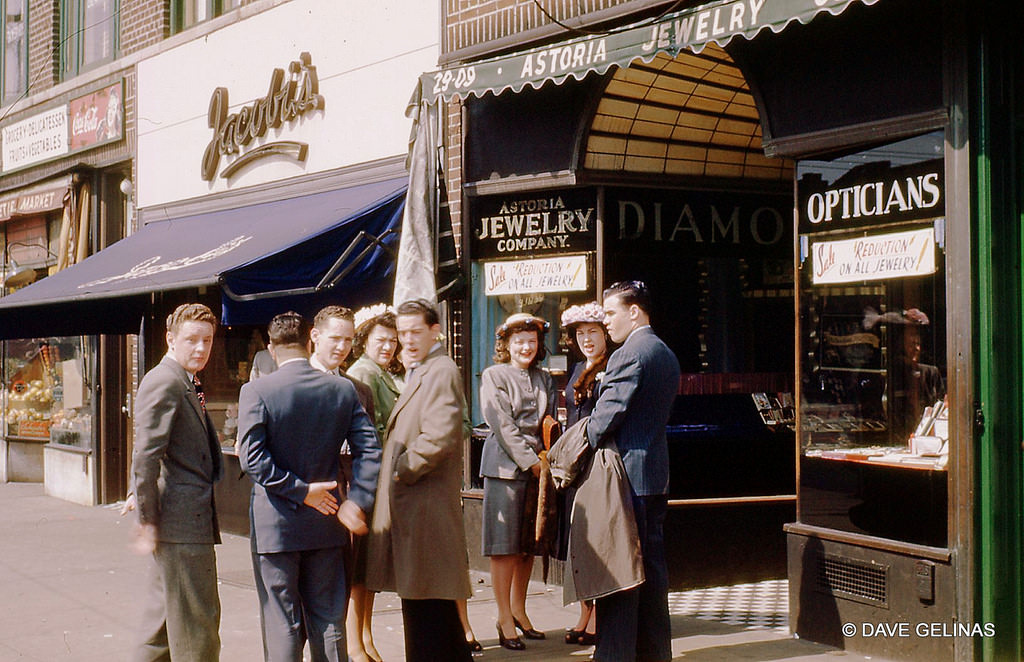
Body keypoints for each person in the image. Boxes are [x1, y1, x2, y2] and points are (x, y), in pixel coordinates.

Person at [237, 311, 381, 662]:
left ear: (272, 348)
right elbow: (370, 449)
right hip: (327, 520)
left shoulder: (256, 390)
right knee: (329, 620)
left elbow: (251, 459)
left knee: (282, 623)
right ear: (308, 342)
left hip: (276, 526)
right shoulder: (342, 389)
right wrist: (357, 500)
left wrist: (300, 490)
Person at [365, 299, 473, 662]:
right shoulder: (424, 368)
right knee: (430, 609)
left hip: (423, 507)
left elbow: (441, 435)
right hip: (418, 507)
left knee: (427, 609)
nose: (407, 340)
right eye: (402, 332)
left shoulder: (440, 370)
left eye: (415, 331)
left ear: (435, 331)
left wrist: (402, 469)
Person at [585, 281, 680, 662]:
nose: (605, 321)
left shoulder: (630, 354)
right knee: (652, 575)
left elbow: (602, 420)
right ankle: (654, 653)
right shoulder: (664, 352)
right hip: (654, 474)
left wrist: (586, 432)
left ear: (634, 311)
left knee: (621, 575)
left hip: (626, 479)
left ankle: (616, 655)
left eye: (610, 312)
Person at [129, 303, 224, 662]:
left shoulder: (181, 379)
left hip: (182, 520)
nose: (201, 348)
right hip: (181, 524)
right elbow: (145, 454)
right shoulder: (166, 380)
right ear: (170, 339)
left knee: (163, 628)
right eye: (191, 340)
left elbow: (153, 450)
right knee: (197, 629)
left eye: (207, 340)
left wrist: (139, 497)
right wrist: (147, 519)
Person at [479, 312, 557, 651]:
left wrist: (548, 459)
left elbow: (550, 421)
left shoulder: (545, 378)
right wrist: (529, 462)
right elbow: (501, 424)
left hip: (539, 469)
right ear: (506, 345)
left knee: (528, 545)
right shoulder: (495, 375)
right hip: (504, 470)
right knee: (504, 547)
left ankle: (520, 610)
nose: (526, 347)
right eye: (519, 341)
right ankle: (502, 616)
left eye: (532, 341)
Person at [308, 305, 379, 662]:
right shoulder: (293, 384)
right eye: (335, 338)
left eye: (348, 340)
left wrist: (361, 497)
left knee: (348, 580)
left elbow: (368, 449)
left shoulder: (359, 390)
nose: (341, 346)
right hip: (306, 506)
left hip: (348, 502)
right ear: (315, 336)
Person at [558, 301, 612, 646]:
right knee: (578, 541)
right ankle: (584, 611)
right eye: (580, 333)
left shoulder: (612, 367)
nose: (587, 339)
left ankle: (599, 616)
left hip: (595, 462)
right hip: (572, 467)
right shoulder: (577, 368)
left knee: (598, 542)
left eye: (593, 331)